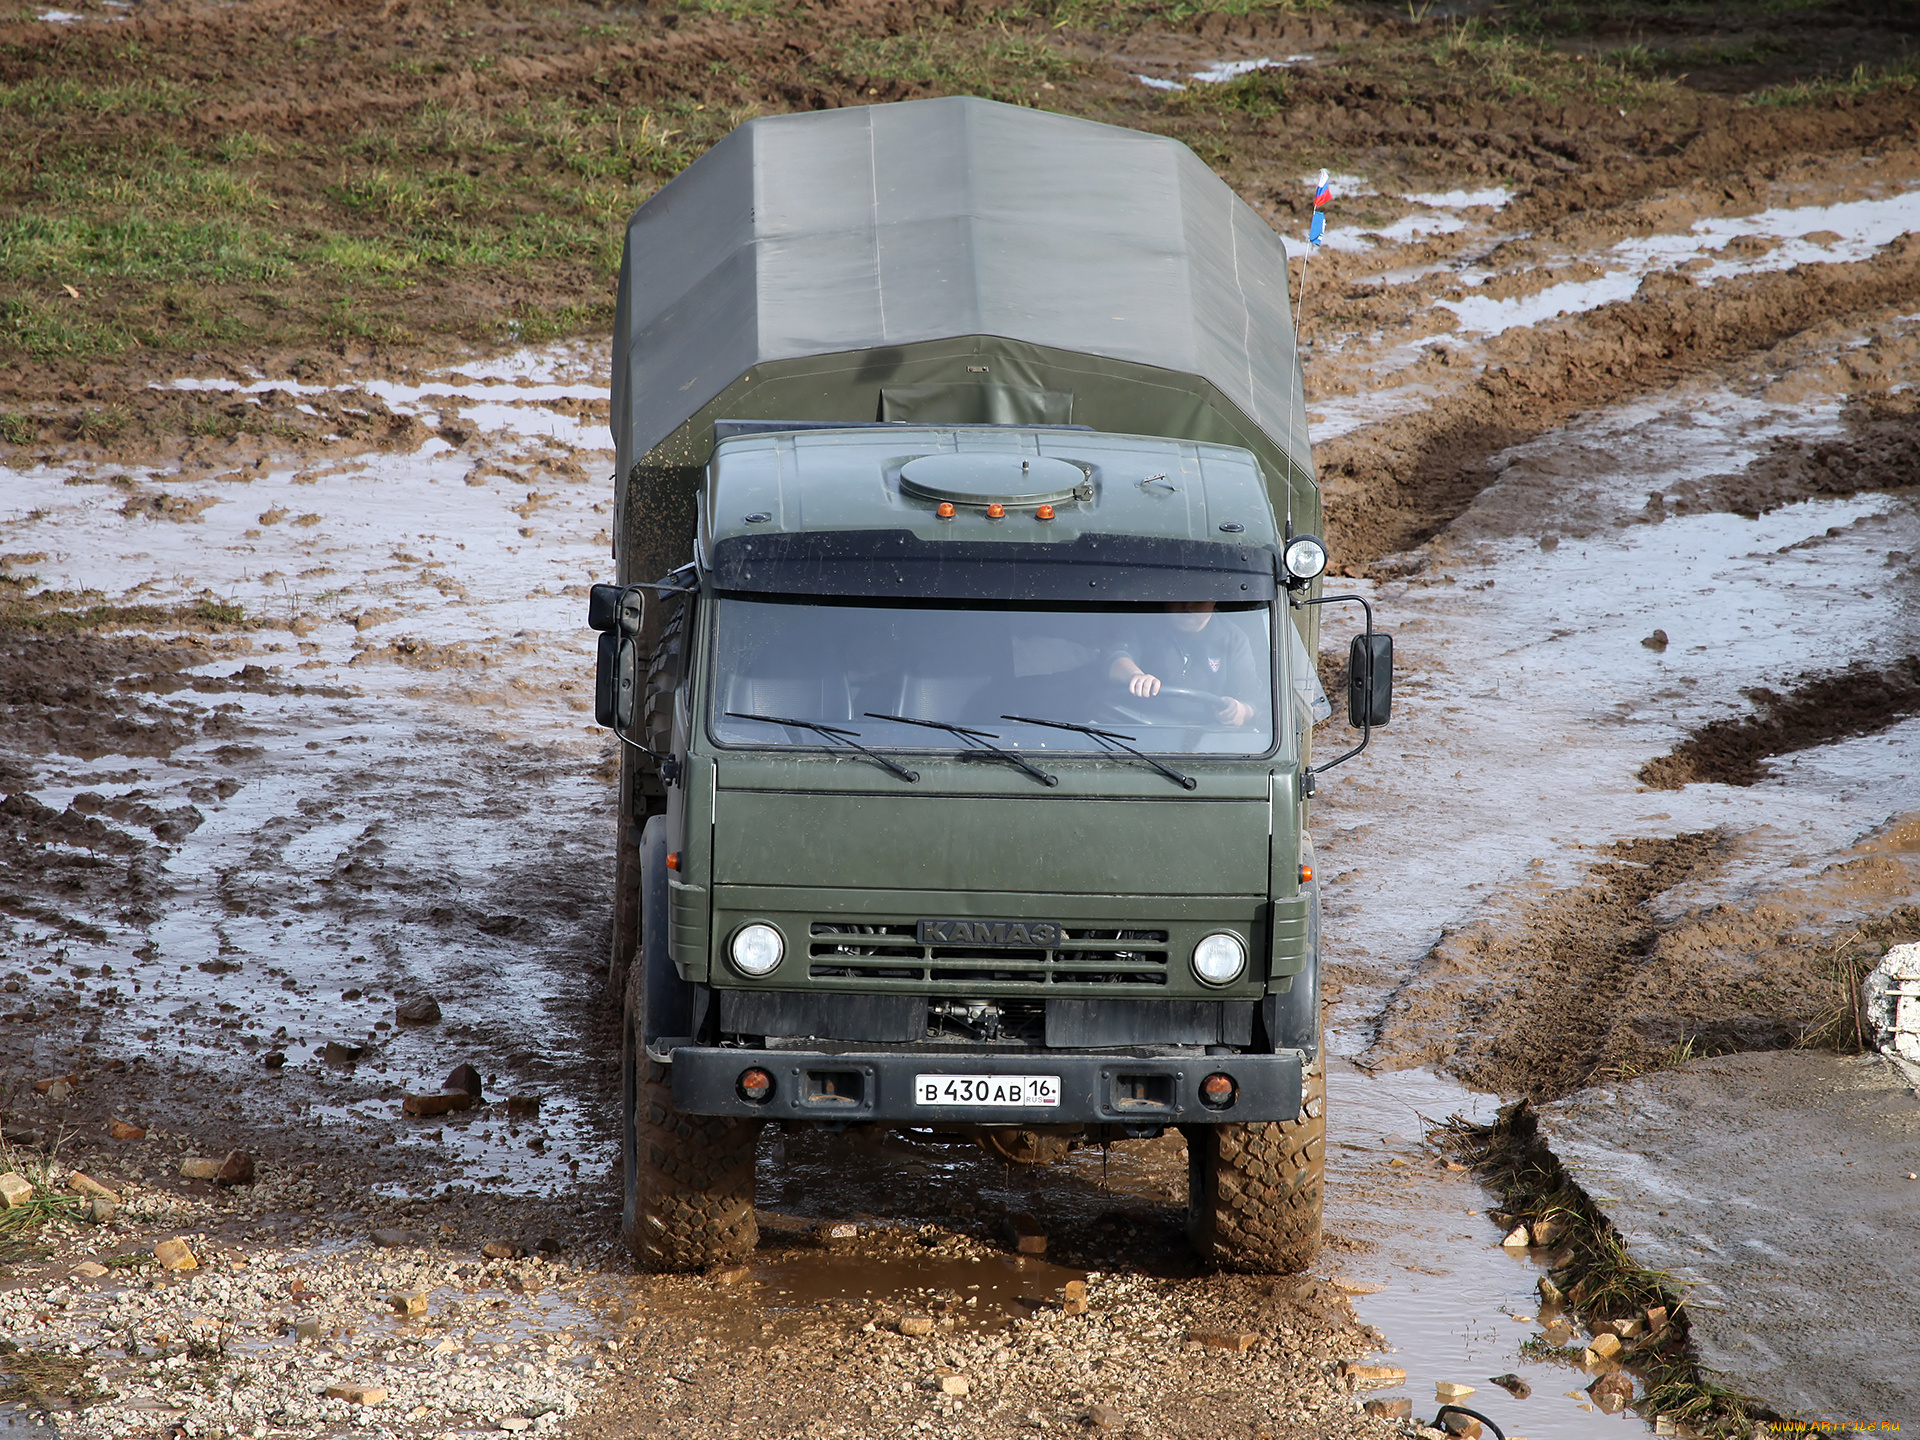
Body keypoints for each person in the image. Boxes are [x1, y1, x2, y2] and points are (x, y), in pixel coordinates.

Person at [1107, 602, 1259, 726]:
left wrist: (1239, 711)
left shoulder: (1233, 638)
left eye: (1199, 598)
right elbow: (1115, 658)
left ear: (1214, 599)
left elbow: (1253, 700)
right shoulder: (1142, 623)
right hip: (1136, 733)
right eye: (1180, 596)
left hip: (1211, 743)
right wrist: (1136, 676)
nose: (1188, 605)